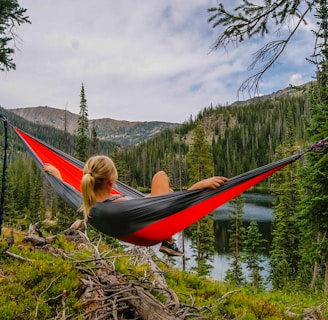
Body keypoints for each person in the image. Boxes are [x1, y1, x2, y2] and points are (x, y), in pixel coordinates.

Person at [44, 155, 228, 256]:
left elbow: (67, 190)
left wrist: (57, 175)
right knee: (160, 176)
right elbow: (171, 209)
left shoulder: (86, 201)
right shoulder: (119, 206)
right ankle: (168, 240)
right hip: (151, 229)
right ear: (111, 181)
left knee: (165, 188)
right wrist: (198, 187)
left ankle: (168, 236)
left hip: (136, 219)